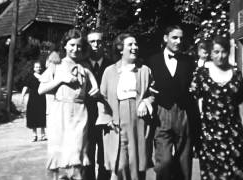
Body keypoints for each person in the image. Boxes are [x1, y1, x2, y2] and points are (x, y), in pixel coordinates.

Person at [38, 28, 99, 180]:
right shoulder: (56, 66)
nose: (75, 49)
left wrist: (96, 90)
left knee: (77, 153)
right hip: (59, 114)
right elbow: (41, 89)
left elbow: (96, 87)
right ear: (64, 46)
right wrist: (60, 80)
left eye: (78, 46)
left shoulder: (85, 67)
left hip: (79, 113)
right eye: (71, 45)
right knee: (59, 157)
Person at [189, 35, 243, 180]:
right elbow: (192, 98)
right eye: (216, 52)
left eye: (224, 51)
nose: (220, 56)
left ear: (228, 52)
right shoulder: (201, 75)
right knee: (212, 174)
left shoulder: (236, 75)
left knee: (234, 174)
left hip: (233, 134)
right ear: (210, 53)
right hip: (210, 136)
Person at [96, 33, 156, 180]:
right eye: (130, 44)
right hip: (116, 119)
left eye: (136, 44)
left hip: (138, 120)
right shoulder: (109, 71)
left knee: (137, 163)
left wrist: (145, 102)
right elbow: (101, 98)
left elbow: (153, 94)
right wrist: (107, 118)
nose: (135, 47)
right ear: (120, 49)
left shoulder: (144, 70)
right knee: (119, 164)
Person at [147, 25, 195, 180]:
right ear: (165, 38)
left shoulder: (188, 61)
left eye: (181, 38)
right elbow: (147, 86)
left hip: (183, 113)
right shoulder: (153, 61)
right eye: (175, 37)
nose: (178, 41)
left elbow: (194, 86)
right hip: (162, 113)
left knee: (184, 160)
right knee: (164, 162)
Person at [80, 29, 112, 180]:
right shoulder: (81, 66)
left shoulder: (112, 65)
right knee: (88, 156)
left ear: (103, 44)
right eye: (92, 41)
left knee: (105, 157)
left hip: (106, 115)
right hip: (86, 116)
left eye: (99, 41)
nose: (96, 45)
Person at [21, 61, 47, 142]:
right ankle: (34, 135)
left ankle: (43, 135)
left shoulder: (44, 76)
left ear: (41, 68)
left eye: (39, 67)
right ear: (33, 68)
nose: (38, 68)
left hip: (42, 98)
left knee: (42, 115)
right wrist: (22, 95)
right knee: (33, 116)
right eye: (36, 67)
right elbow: (26, 86)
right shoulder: (30, 77)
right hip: (32, 98)